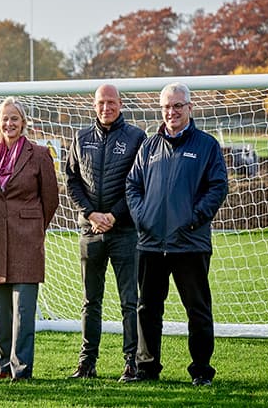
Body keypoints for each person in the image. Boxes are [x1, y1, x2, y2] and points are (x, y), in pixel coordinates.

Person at [126, 82, 228, 386]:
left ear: (189, 108)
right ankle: (147, 368)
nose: (172, 112)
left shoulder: (207, 145)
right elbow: (133, 186)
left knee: (197, 310)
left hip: (190, 243)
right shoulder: (149, 146)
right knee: (147, 309)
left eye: (177, 106)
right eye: (167, 107)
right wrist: (143, 218)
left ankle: (201, 371)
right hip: (152, 243)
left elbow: (217, 187)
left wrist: (193, 219)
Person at [65, 84, 147, 382]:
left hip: (125, 232)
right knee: (90, 301)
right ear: (94, 104)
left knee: (129, 300)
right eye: (101, 102)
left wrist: (114, 215)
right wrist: (90, 214)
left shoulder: (137, 137)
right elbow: (72, 180)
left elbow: (140, 182)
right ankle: (87, 362)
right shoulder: (81, 137)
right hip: (90, 231)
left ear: (120, 104)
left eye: (111, 102)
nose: (106, 107)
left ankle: (132, 362)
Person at [0, 97, 59, 381]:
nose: (9, 123)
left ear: (23, 122)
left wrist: (33, 225)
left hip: (26, 240)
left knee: (23, 309)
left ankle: (21, 368)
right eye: (5, 119)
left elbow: (50, 199)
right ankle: (2, 367)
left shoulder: (39, 154)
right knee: (1, 310)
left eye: (14, 118)